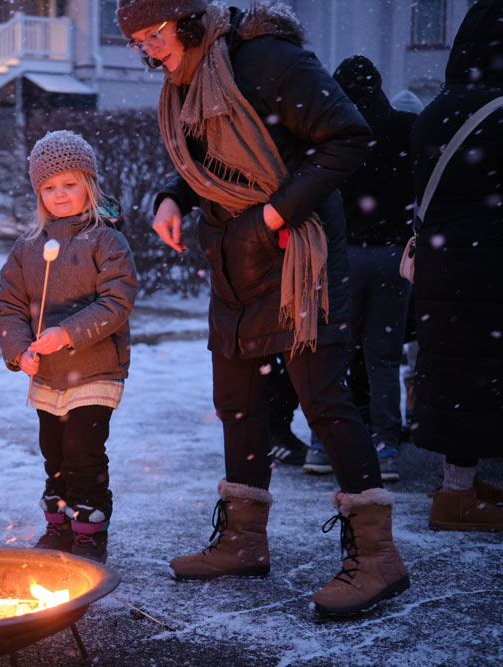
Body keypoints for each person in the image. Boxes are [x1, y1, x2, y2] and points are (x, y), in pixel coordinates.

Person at [116, 0, 409, 615]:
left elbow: (348, 135)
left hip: (297, 258)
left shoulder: (265, 59)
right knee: (238, 403)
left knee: (324, 403)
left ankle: (377, 557)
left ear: (188, 20)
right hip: (233, 262)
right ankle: (243, 541)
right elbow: (207, 162)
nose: (148, 49)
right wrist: (174, 196)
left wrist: (277, 212)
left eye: (154, 33)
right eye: (137, 40)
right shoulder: (189, 80)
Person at [0, 130, 137, 564]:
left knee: (82, 452)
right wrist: (19, 350)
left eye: (70, 184)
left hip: (95, 369)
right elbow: (7, 303)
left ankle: (89, 530)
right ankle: (58, 525)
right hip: (48, 376)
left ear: (88, 184)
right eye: (49, 187)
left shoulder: (106, 240)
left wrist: (68, 333)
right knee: (53, 452)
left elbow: (117, 301)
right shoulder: (27, 248)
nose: (59, 194)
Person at [299, 56, 417, 483]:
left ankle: (322, 445)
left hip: (342, 255)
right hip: (393, 257)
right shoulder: (406, 127)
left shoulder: (333, 130)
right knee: (383, 357)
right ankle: (386, 447)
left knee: (335, 353)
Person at [409, 0, 503, 531]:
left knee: (455, 374)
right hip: (488, 270)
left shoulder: (436, 110)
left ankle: (457, 484)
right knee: (480, 378)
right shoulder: (498, 109)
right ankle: (458, 500)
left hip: (443, 268)